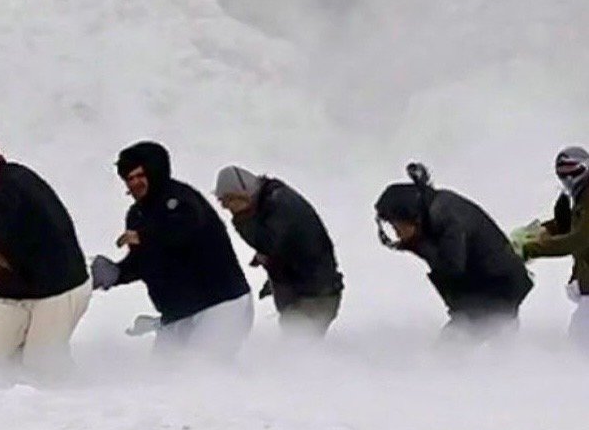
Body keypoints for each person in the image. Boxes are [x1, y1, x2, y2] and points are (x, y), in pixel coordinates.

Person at [0, 134, 91, 383]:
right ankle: (8, 392)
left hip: (60, 285)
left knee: (42, 360)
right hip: (19, 285)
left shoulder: (13, 182)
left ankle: (71, 392)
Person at [92, 142, 252, 359]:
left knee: (204, 370)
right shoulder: (137, 215)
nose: (135, 183)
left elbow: (184, 230)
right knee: (163, 373)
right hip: (178, 314)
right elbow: (145, 261)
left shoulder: (181, 201)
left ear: (155, 173)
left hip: (221, 306)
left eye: (140, 176)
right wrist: (116, 273)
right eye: (129, 179)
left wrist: (144, 236)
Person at [375, 163, 533, 339]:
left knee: (452, 348)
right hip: (492, 290)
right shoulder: (435, 209)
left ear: (413, 217)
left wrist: (418, 246)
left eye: (397, 227)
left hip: (497, 291)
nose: (397, 233)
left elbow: (452, 267)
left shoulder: (446, 219)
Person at [214, 166, 343, 336]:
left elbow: (269, 244)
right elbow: (285, 247)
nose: (228, 209)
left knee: (298, 347)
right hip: (311, 293)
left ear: (242, 194)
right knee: (297, 345)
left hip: (314, 297)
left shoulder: (278, 204)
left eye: (229, 201)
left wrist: (242, 220)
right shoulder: (271, 200)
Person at [520, 147, 589, 348]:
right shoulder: (580, 197)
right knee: (578, 342)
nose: (568, 177)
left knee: (579, 346)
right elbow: (568, 226)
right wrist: (537, 231)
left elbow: (578, 240)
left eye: (572, 170)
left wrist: (531, 249)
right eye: (562, 172)